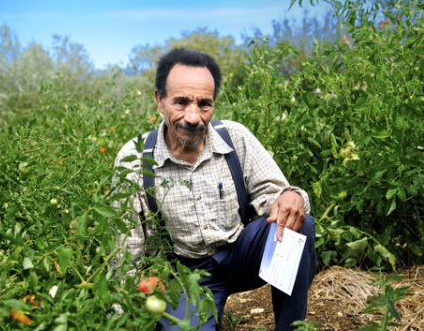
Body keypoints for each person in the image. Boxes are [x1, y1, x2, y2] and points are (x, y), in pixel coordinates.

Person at [113, 48, 316, 330]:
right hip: (185, 274)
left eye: (204, 104)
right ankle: (203, 312)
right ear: (160, 100)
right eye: (181, 102)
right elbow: (127, 247)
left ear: (214, 103)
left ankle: (290, 327)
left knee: (297, 227)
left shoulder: (234, 137)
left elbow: (274, 194)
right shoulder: (135, 159)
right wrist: (123, 314)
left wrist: (290, 196)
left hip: (242, 255)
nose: (193, 117)